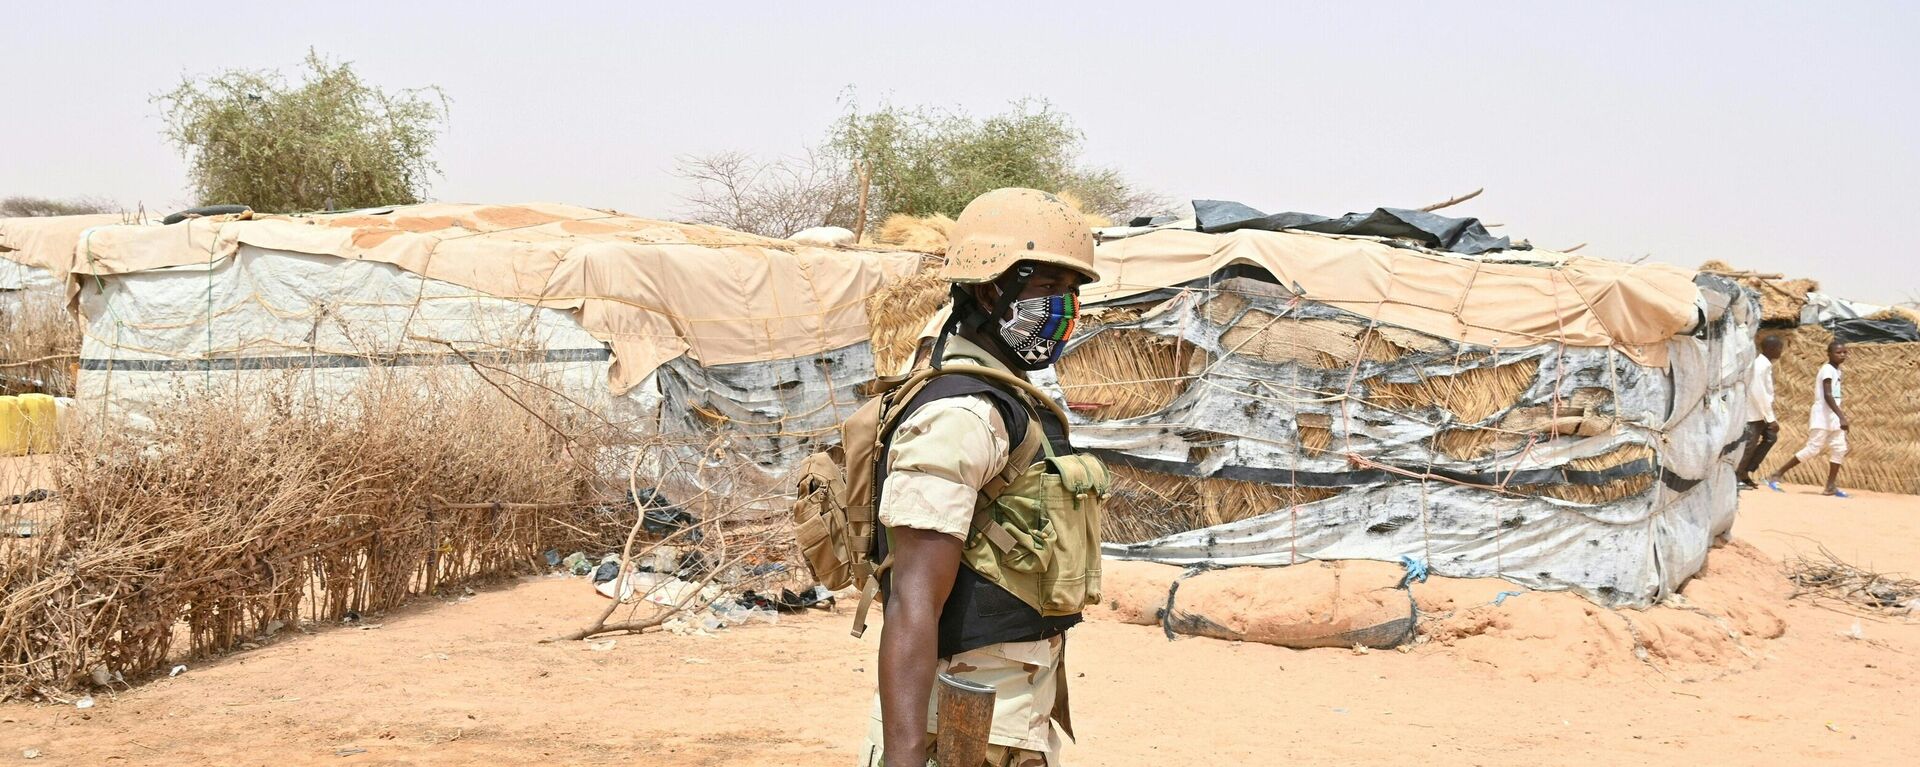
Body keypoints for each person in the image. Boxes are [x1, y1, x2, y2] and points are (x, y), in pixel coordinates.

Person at [861, 188, 1102, 767]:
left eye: (1070, 293)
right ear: (993, 288)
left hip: (1012, 714)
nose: (1063, 309)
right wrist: (904, 759)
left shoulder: (1009, 397)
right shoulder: (961, 414)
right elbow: (912, 600)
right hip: (962, 720)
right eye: (1047, 290)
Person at [1767, 340, 1851, 497]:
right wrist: (1842, 417)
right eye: (1838, 352)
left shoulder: (1837, 371)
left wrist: (1839, 416)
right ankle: (1777, 473)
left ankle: (1830, 486)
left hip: (1833, 416)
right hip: (1823, 415)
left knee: (1839, 448)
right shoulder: (1827, 370)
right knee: (1813, 448)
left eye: (1844, 352)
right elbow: (1827, 395)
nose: (1842, 355)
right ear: (1829, 354)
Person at [1735, 335, 1785, 489]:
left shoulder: (1765, 365)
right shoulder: (1759, 366)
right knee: (1749, 445)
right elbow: (1758, 392)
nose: (1781, 351)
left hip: (1759, 413)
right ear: (1771, 349)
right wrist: (1770, 419)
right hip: (1753, 413)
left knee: (1770, 438)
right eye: (1779, 348)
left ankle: (1746, 471)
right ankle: (1737, 477)